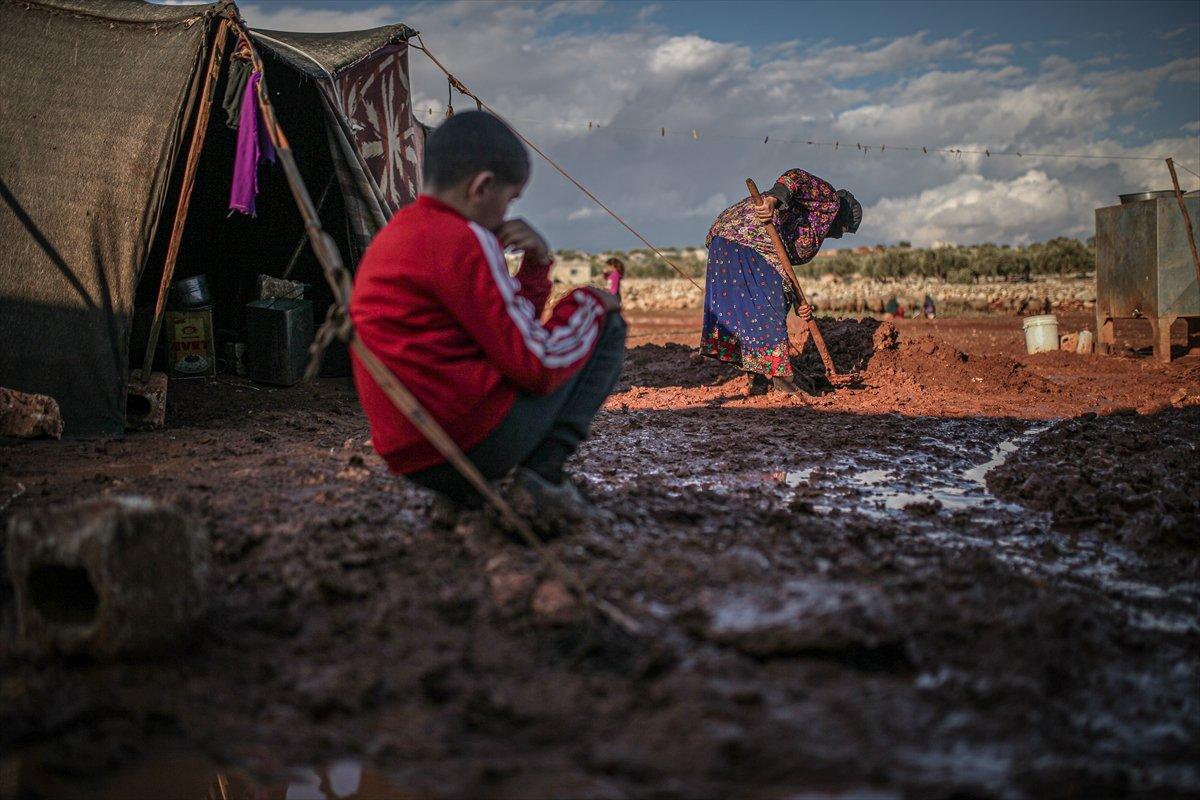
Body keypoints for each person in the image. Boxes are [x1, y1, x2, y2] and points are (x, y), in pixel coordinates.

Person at [350, 111, 625, 529]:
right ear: (482, 187)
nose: (509, 213)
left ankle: (462, 500)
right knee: (608, 326)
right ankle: (541, 481)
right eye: (510, 199)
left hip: (411, 454)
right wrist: (591, 302)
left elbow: (506, 334)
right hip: (463, 445)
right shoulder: (467, 239)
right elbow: (537, 365)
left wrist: (535, 269)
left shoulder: (399, 234)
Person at [700, 168, 861, 393]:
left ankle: (758, 379)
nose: (840, 235)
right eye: (844, 229)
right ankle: (784, 383)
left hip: (727, 240)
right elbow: (795, 177)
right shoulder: (829, 201)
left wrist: (799, 304)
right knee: (769, 308)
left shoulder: (808, 223)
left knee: (756, 310)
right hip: (749, 238)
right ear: (841, 217)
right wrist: (772, 201)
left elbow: (782, 267)